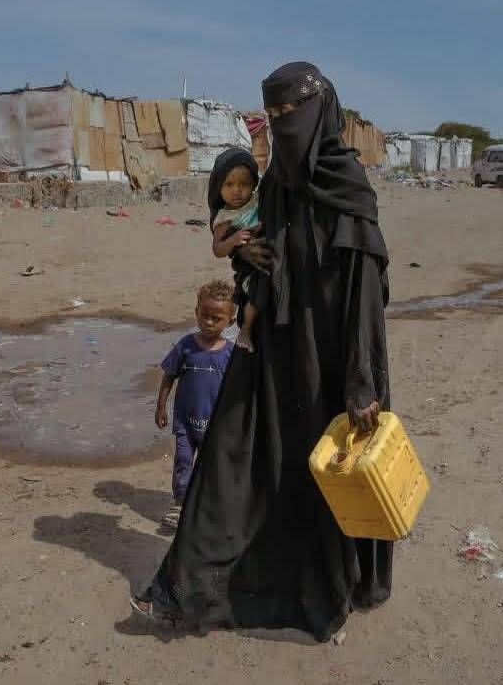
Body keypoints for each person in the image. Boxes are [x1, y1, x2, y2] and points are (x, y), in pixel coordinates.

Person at [132, 62, 392, 642]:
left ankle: (330, 595)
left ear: (318, 111)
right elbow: (251, 239)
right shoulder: (275, 184)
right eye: (272, 116)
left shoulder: (348, 185)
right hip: (271, 348)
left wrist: (361, 379)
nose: (282, 125)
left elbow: (364, 291)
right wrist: (242, 256)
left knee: (327, 478)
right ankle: (188, 589)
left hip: (332, 358)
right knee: (232, 458)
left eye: (289, 113)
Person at [154, 281, 237, 526]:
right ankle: (179, 504)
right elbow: (169, 375)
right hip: (185, 422)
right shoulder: (186, 346)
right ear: (196, 312)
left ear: (230, 321)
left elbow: (237, 391)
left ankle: (207, 506)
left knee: (213, 467)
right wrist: (161, 406)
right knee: (183, 461)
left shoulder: (231, 354)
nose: (208, 322)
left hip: (215, 425)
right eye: (204, 315)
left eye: (216, 318)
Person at [209, 148, 263, 352]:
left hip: (268, 255)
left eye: (244, 184)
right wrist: (233, 240)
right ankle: (246, 330)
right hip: (251, 268)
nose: (237, 191)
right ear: (219, 186)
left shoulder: (257, 200)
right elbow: (217, 249)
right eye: (229, 185)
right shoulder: (224, 218)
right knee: (256, 294)